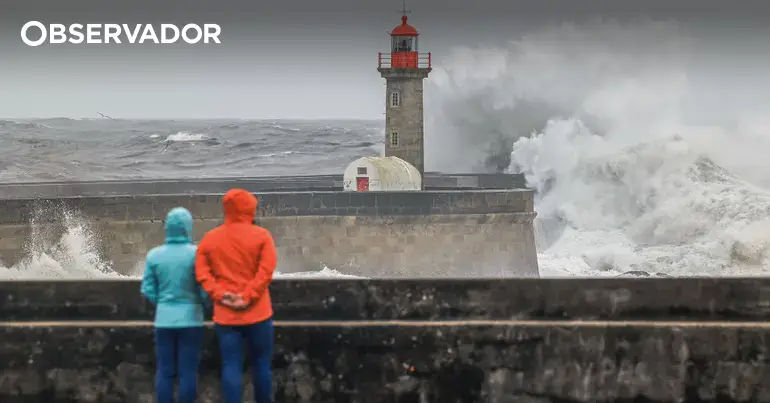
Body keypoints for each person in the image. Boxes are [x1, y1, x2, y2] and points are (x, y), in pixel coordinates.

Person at [195, 188, 278, 403]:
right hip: (259, 313)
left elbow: (201, 272)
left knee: (230, 366)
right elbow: (266, 271)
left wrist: (221, 294)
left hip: (226, 315)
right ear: (250, 208)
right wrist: (248, 296)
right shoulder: (262, 236)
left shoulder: (210, 238)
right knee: (261, 365)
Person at [140, 207, 209, 403]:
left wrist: (162, 303)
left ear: (167, 228)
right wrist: (201, 303)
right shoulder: (197, 254)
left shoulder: (154, 255)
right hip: (191, 320)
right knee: (188, 371)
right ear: (188, 228)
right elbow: (205, 288)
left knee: (165, 371)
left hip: (164, 320)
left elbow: (148, 289)